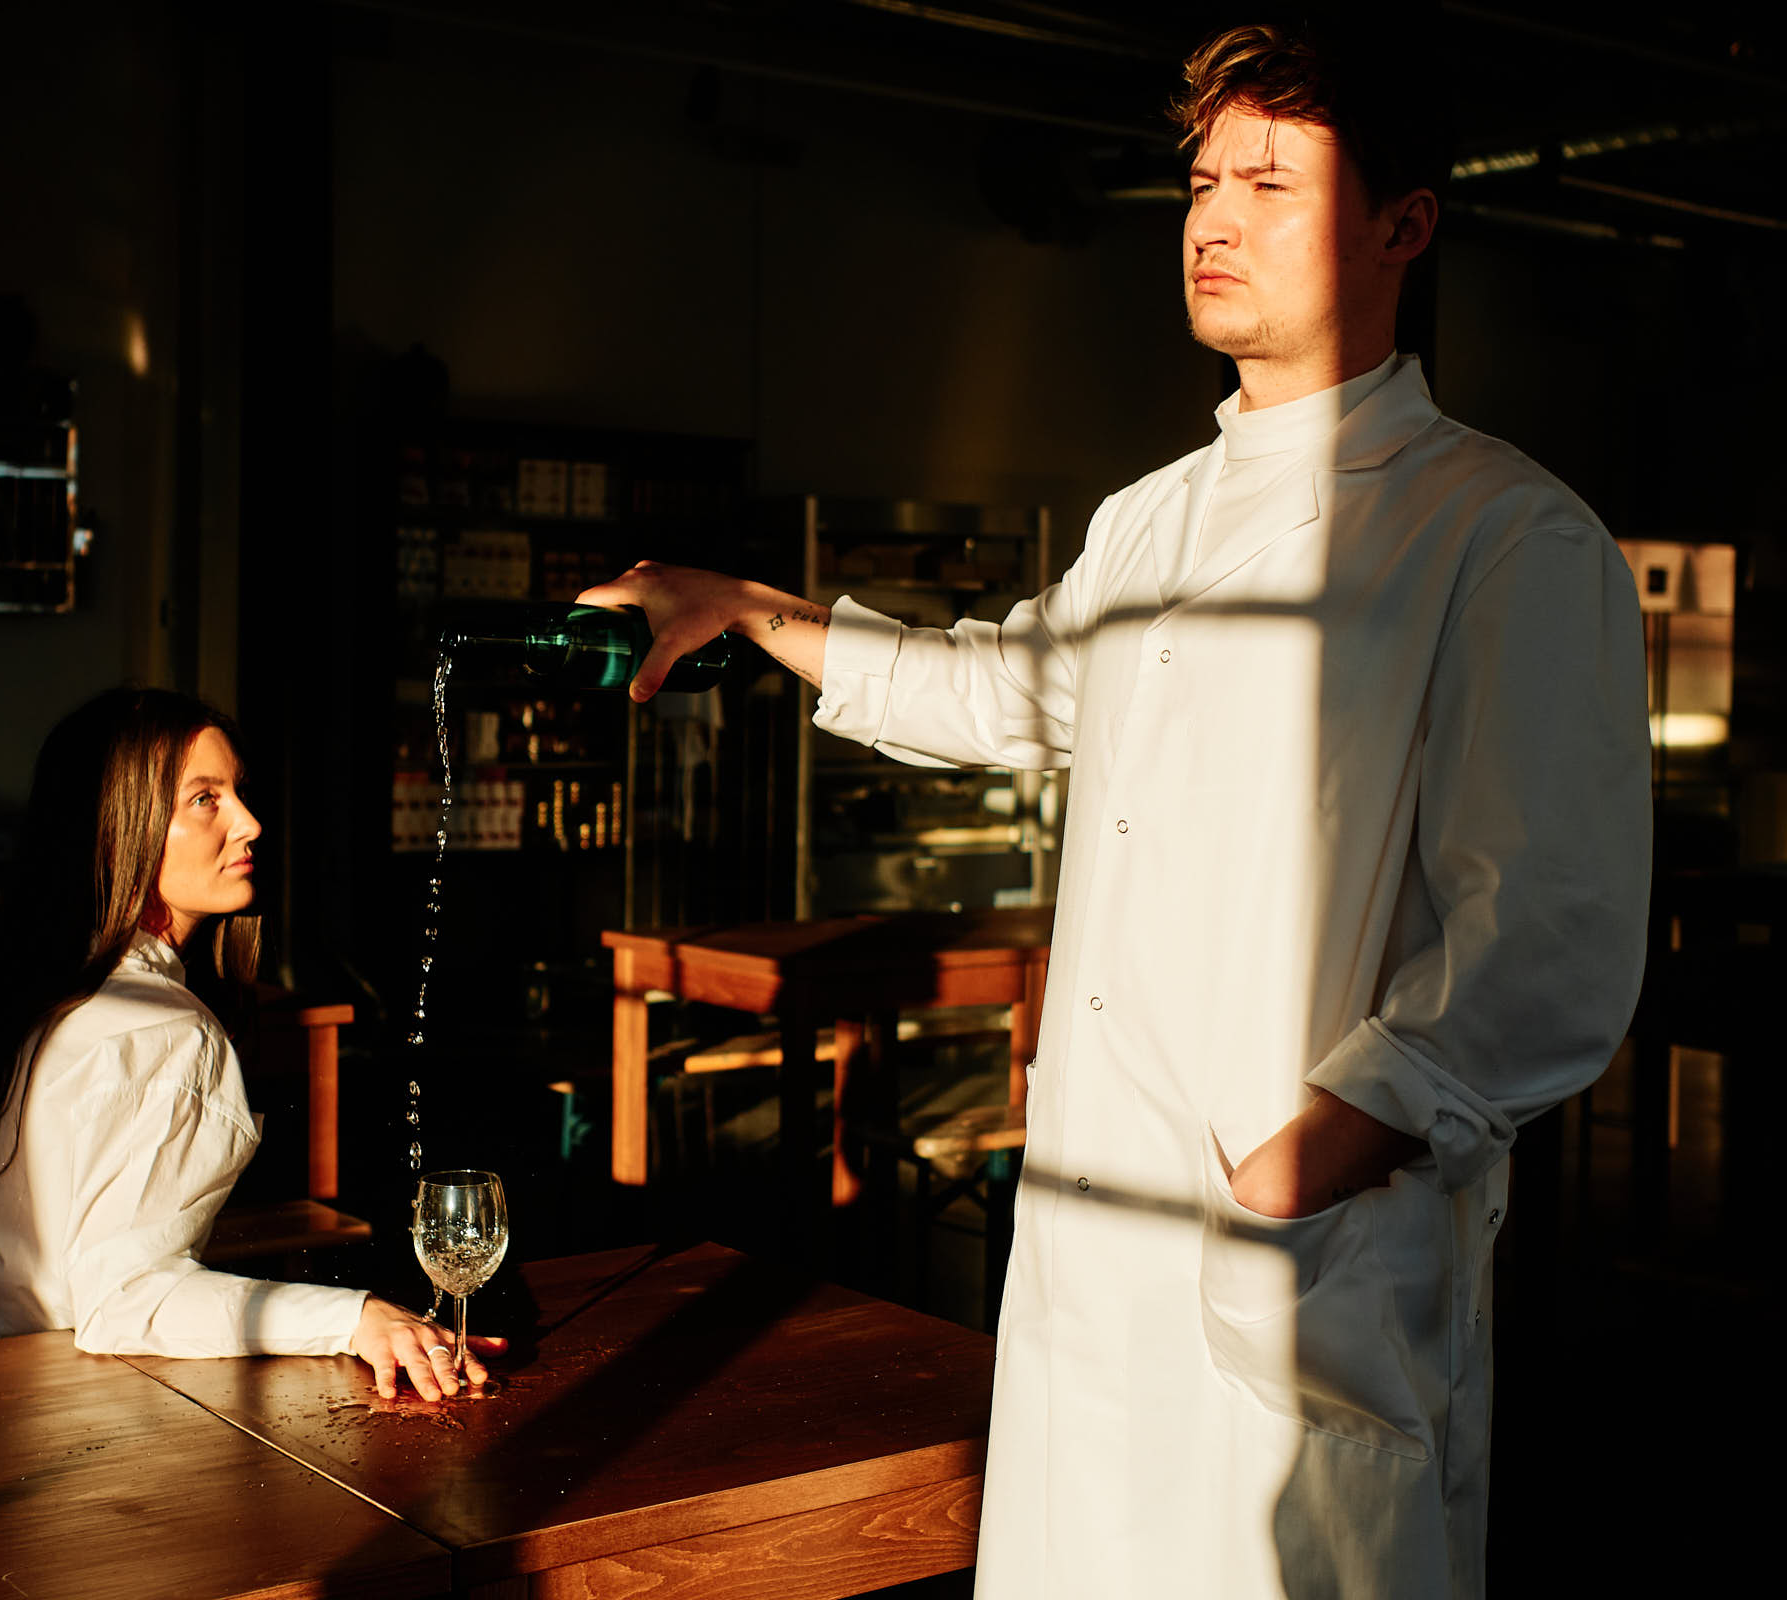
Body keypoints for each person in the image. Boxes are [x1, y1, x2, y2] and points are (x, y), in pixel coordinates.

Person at [579, 18, 1648, 1598]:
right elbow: (1005, 690)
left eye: (1272, 182)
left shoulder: (1502, 536)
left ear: (1404, 224)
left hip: (1292, 1256)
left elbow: (1545, 941)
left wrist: (1311, 1155)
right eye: (1202, 179)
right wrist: (748, 609)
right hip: (1097, 1253)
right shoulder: (1153, 518)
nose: (1213, 220)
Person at [0, 687, 497, 1401]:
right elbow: (126, 1301)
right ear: (117, 829)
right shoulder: (168, 1032)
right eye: (206, 799)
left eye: (238, 792)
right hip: (74, 1425)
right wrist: (354, 1318)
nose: (251, 823)